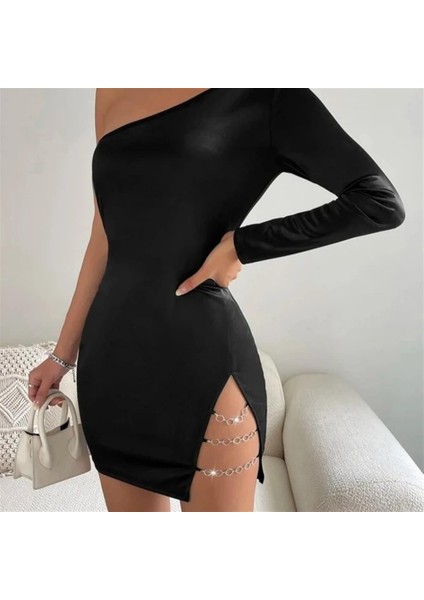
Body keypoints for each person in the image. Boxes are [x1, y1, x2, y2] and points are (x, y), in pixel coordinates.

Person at [27, 88, 405, 512]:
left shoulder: (269, 95)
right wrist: (62, 356)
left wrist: (243, 246)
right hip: (112, 363)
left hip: (202, 365)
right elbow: (103, 235)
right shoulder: (113, 88)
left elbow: (378, 201)